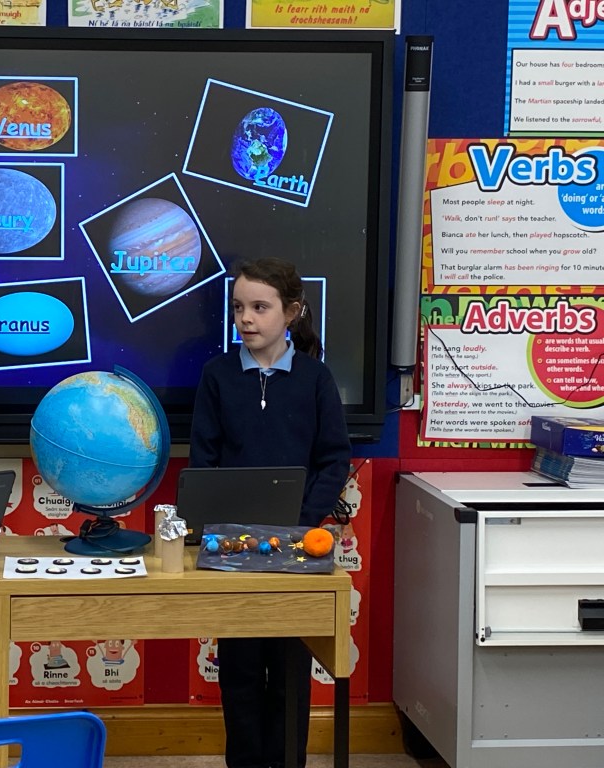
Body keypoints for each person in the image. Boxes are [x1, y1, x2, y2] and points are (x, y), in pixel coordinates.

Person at [189, 257, 351, 768]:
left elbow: (333, 459)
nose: (246, 318)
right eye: (239, 307)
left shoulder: (315, 379)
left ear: (292, 312)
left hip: (295, 550)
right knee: (238, 671)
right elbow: (204, 462)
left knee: (287, 672)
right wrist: (218, 529)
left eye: (260, 307)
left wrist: (302, 523)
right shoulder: (217, 376)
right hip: (233, 550)